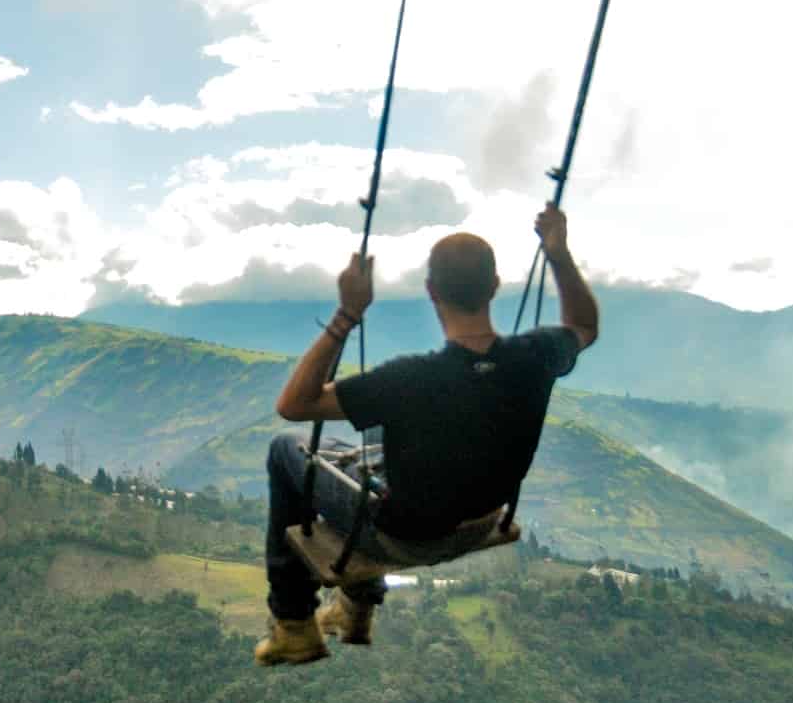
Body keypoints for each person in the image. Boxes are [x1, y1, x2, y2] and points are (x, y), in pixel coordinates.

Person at [257, 202, 599, 666]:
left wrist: (347, 315)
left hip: (407, 537)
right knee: (375, 440)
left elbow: (293, 406)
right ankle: (353, 612)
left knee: (286, 450)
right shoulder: (535, 354)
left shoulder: (409, 380)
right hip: (482, 520)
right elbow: (583, 325)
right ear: (494, 287)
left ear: (431, 291)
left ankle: (295, 623)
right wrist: (558, 255)